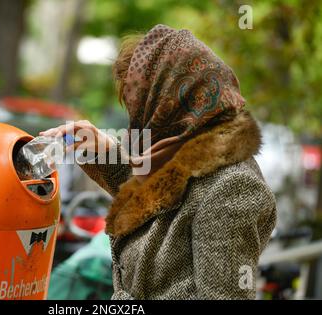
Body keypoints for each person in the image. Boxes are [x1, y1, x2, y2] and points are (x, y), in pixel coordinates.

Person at [40, 24, 277, 299]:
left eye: (142, 105)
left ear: (168, 100)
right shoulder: (184, 154)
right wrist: (102, 151)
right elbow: (155, 201)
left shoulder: (232, 186)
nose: (139, 120)